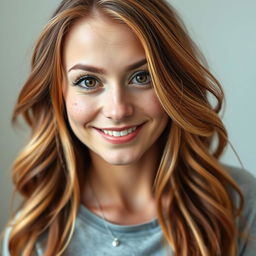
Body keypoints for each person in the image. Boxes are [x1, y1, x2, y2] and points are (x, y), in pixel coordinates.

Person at [1, 0, 256, 255]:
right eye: (88, 81)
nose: (118, 110)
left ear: (174, 83)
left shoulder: (238, 204)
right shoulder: (31, 238)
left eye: (141, 77)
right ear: (58, 93)